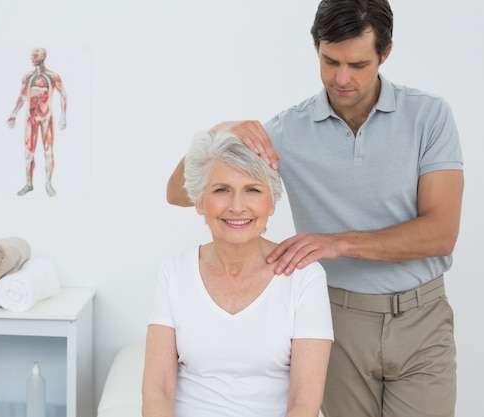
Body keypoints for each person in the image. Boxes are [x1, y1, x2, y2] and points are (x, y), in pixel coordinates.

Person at [166, 1, 464, 417]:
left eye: (358, 64)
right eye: (329, 61)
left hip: (422, 320)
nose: (341, 78)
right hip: (338, 322)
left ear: (386, 53)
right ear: (316, 49)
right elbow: (179, 193)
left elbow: (441, 232)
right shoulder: (287, 131)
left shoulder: (429, 117)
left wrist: (336, 243)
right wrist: (218, 131)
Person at [144, 131, 333, 417]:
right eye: (221, 190)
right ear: (199, 201)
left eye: (252, 190)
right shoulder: (174, 272)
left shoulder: (305, 277)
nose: (236, 206)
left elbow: (304, 403)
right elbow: (158, 388)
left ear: (271, 203)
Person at [7, 47, 67, 197]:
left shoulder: (53, 76)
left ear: (41, 58)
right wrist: (14, 113)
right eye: (32, 56)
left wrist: (63, 115)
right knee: (28, 152)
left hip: (46, 117)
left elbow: (63, 95)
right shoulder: (27, 77)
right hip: (30, 118)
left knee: (48, 151)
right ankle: (29, 184)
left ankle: (48, 183)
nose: (32, 59)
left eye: (35, 56)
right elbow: (21, 97)